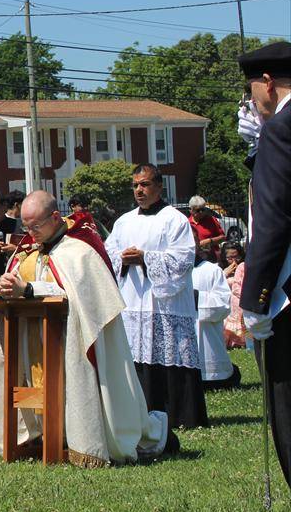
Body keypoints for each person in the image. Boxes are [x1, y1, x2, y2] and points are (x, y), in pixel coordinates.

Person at [0, 191, 173, 465]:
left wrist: (29, 289)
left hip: (73, 340)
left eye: (35, 227)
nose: (29, 233)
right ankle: (43, 435)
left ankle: (82, 438)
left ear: (55, 217)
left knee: (74, 384)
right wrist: (7, 286)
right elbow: (19, 279)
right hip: (34, 337)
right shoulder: (29, 250)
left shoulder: (80, 249)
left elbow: (76, 295)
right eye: (25, 227)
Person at [104, 163, 208, 429]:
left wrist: (145, 259)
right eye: (136, 185)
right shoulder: (124, 221)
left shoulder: (174, 219)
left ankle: (180, 415)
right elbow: (109, 253)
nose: (139, 190)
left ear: (159, 186)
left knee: (171, 356)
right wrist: (122, 259)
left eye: (145, 184)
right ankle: (142, 412)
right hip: (134, 300)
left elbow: (183, 258)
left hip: (165, 302)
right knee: (137, 359)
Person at [235, 40, 291, 488]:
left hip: (288, 295)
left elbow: (272, 217)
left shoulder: (281, 130)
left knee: (287, 407)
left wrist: (255, 298)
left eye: (252, 89)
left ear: (267, 83)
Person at [192, 248, 240, 389]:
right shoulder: (166, 271)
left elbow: (223, 305)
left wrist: (196, 297)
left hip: (207, 348)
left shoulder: (211, 270)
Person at [223, 243, 247, 348]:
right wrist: (224, 273)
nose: (234, 261)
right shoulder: (219, 269)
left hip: (239, 301)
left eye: (236, 257)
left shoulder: (243, 267)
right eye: (230, 258)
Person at [188, 195, 225, 263]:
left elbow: (222, 237)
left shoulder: (211, 220)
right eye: (198, 210)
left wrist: (210, 241)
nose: (201, 212)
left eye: (203, 209)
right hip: (194, 260)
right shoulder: (186, 223)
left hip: (211, 259)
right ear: (191, 210)